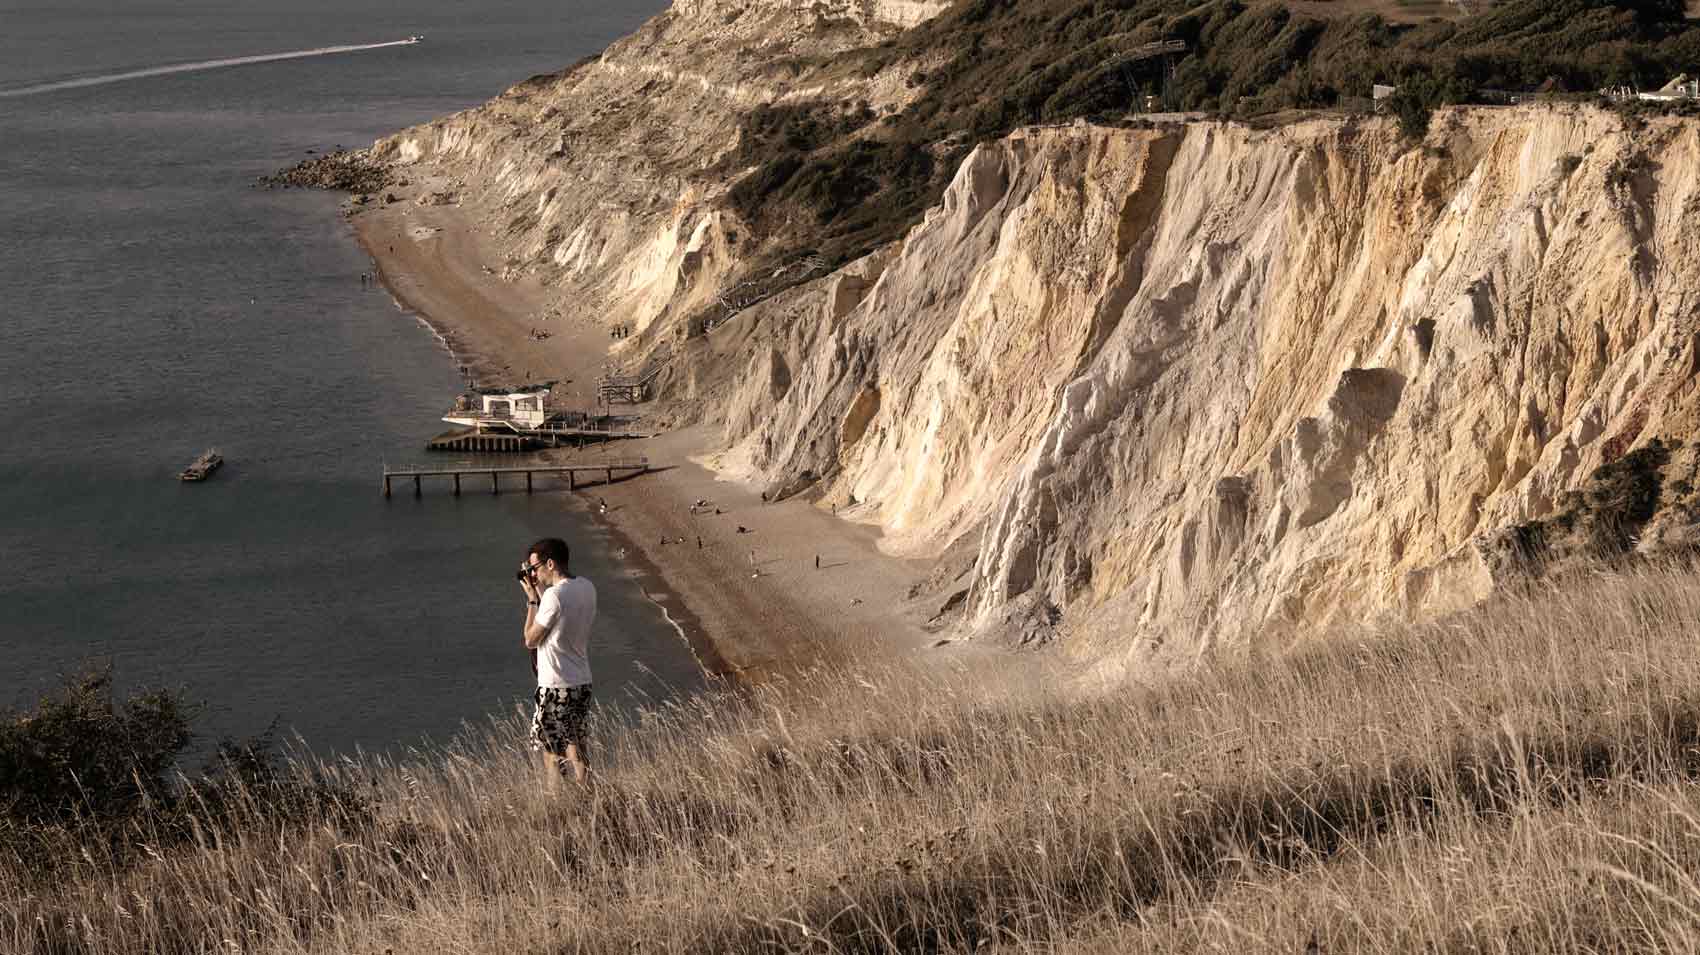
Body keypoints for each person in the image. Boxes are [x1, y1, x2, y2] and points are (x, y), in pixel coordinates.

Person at [518, 538, 596, 786]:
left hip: (555, 685)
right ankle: (587, 795)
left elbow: (530, 639)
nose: (532, 573)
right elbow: (559, 613)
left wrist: (531, 599)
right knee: (575, 744)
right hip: (581, 681)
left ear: (549, 563)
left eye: (534, 567)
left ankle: (557, 806)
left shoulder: (553, 597)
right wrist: (540, 591)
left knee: (552, 751)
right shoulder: (586, 587)